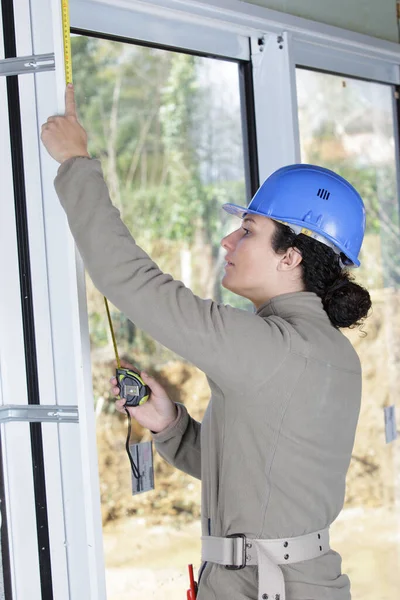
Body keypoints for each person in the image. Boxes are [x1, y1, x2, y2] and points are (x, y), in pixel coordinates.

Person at [41, 85, 371, 600]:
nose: (228, 242)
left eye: (248, 229)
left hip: (264, 587)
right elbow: (253, 472)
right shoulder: (330, 352)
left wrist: (75, 162)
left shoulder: (270, 347)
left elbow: (133, 281)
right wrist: (171, 425)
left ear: (292, 256)